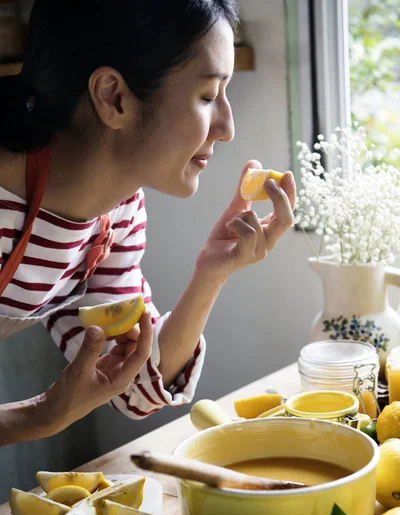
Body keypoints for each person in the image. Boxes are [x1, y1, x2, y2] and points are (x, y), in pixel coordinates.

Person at [0, 0, 296, 446]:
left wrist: (212, 273)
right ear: (112, 97)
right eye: (208, 96)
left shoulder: (117, 211)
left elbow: (133, 387)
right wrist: (40, 417)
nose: (227, 127)